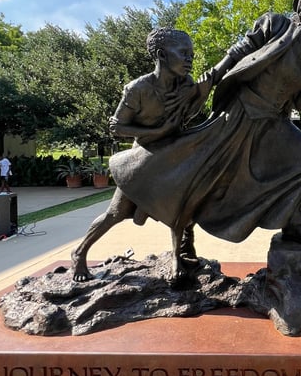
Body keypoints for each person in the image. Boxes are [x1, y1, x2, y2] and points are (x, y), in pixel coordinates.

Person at [109, 0, 301, 253]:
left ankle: (295, 225)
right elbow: (238, 51)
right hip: (241, 112)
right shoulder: (276, 24)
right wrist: (208, 82)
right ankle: (184, 234)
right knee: (205, 177)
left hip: (274, 122)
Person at [71, 28, 218, 282]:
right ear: (161, 55)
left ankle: (178, 256)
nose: (189, 59)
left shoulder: (185, 83)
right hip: (143, 160)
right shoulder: (138, 89)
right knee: (115, 214)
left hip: (173, 155)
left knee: (183, 208)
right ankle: (80, 252)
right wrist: (157, 130)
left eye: (191, 54)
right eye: (183, 53)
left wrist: (202, 95)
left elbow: (185, 116)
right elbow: (116, 127)